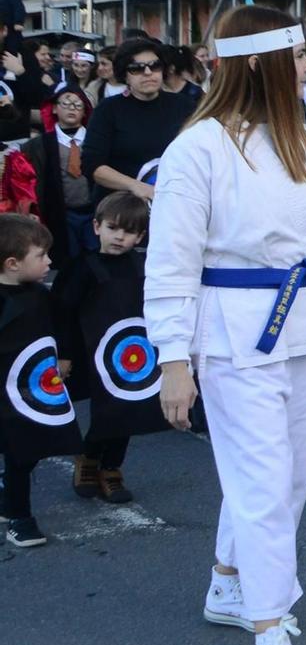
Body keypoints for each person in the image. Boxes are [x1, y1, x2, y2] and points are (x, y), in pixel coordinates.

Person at [146, 6, 306, 645]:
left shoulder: (303, 141)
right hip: (230, 333)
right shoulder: (198, 147)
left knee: (287, 479)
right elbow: (169, 263)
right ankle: (270, 637)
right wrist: (173, 360)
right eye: (299, 58)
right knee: (261, 484)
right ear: (260, 63)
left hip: (301, 328)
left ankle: (228, 582)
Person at [55, 191, 157, 504]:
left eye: (128, 232)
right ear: (97, 226)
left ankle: (111, 467)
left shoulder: (143, 265)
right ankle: (88, 459)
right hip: (89, 354)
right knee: (104, 410)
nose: (119, 237)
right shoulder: (81, 267)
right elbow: (62, 313)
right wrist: (64, 354)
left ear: (140, 237)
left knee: (127, 410)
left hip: (131, 355)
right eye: (113, 228)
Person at [0, 215, 69, 548]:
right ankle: (18, 516)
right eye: (41, 256)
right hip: (5, 391)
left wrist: (63, 357)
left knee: (24, 453)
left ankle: (14, 507)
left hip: (30, 392)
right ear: (13, 264)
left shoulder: (41, 294)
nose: (49, 262)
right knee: (15, 453)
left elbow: (58, 327)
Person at [81, 38, 191, 202]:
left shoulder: (184, 106)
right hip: (123, 207)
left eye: (154, 66)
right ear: (125, 75)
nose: (148, 73)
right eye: (136, 69)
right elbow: (92, 165)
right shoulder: (108, 110)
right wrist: (136, 186)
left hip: (174, 202)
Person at [34, 88, 94, 264]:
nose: (72, 108)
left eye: (77, 105)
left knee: (94, 253)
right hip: (62, 213)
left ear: (84, 112)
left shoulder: (95, 140)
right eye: (66, 103)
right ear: (54, 108)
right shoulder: (40, 144)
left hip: (92, 210)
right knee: (69, 258)